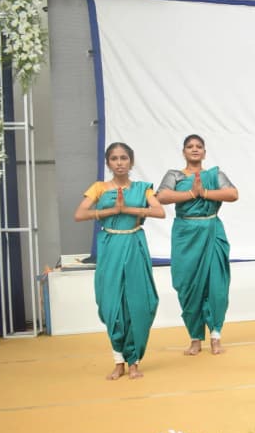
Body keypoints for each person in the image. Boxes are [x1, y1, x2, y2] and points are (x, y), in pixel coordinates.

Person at [74, 142, 165, 380]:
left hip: (134, 245)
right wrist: (112, 211)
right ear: (108, 163)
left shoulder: (143, 188)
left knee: (139, 302)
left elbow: (159, 212)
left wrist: (129, 210)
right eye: (114, 158)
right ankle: (118, 360)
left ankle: (134, 360)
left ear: (131, 162)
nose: (119, 162)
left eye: (124, 158)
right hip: (110, 247)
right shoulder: (99, 188)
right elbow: (79, 214)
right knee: (111, 303)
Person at [157, 135, 238, 355]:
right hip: (186, 234)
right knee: (187, 285)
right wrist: (191, 193)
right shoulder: (174, 175)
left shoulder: (214, 175)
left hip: (211, 230)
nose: (194, 150)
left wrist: (205, 193)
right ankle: (194, 337)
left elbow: (232, 193)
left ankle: (215, 336)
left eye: (198, 147)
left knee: (217, 286)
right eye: (190, 147)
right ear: (183, 152)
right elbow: (162, 196)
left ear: (204, 152)